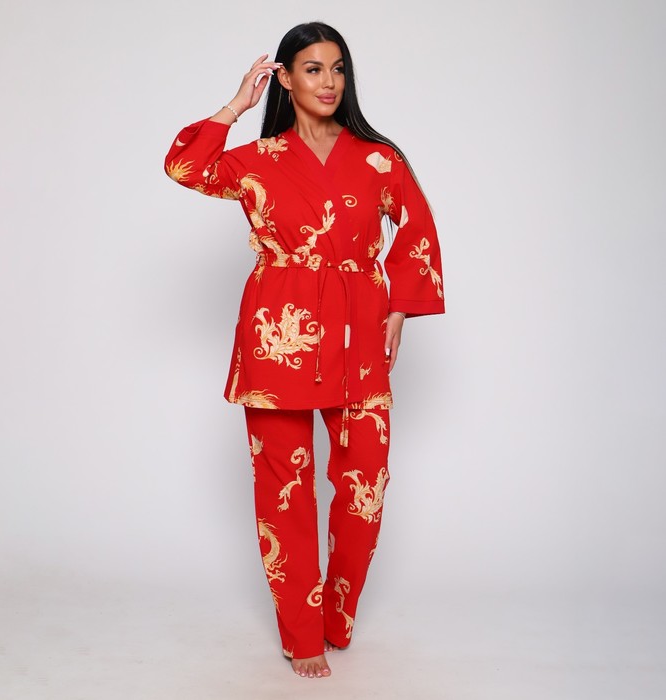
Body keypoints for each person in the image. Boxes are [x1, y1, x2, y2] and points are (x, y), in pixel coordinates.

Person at [164, 21, 444, 679]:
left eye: (338, 68)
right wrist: (235, 106)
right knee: (284, 491)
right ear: (286, 79)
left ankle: (337, 615)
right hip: (279, 336)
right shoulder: (258, 159)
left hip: (359, 331)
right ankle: (301, 632)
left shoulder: (378, 158)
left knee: (364, 486)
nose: (328, 81)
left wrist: (399, 307)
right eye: (313, 69)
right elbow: (185, 168)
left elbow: (419, 227)